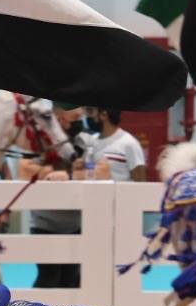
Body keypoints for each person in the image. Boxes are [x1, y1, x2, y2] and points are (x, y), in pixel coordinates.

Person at [21, 103, 94, 288]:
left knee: (73, 281)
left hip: (75, 224)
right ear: (59, 119)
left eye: (80, 118)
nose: (79, 123)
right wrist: (50, 172)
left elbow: (98, 170)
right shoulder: (39, 140)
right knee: (49, 278)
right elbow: (24, 170)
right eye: (75, 119)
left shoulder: (84, 141)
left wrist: (71, 175)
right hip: (45, 224)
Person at [79, 107, 146, 182]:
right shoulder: (90, 142)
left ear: (104, 115)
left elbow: (141, 181)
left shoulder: (129, 143)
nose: (88, 117)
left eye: (91, 112)